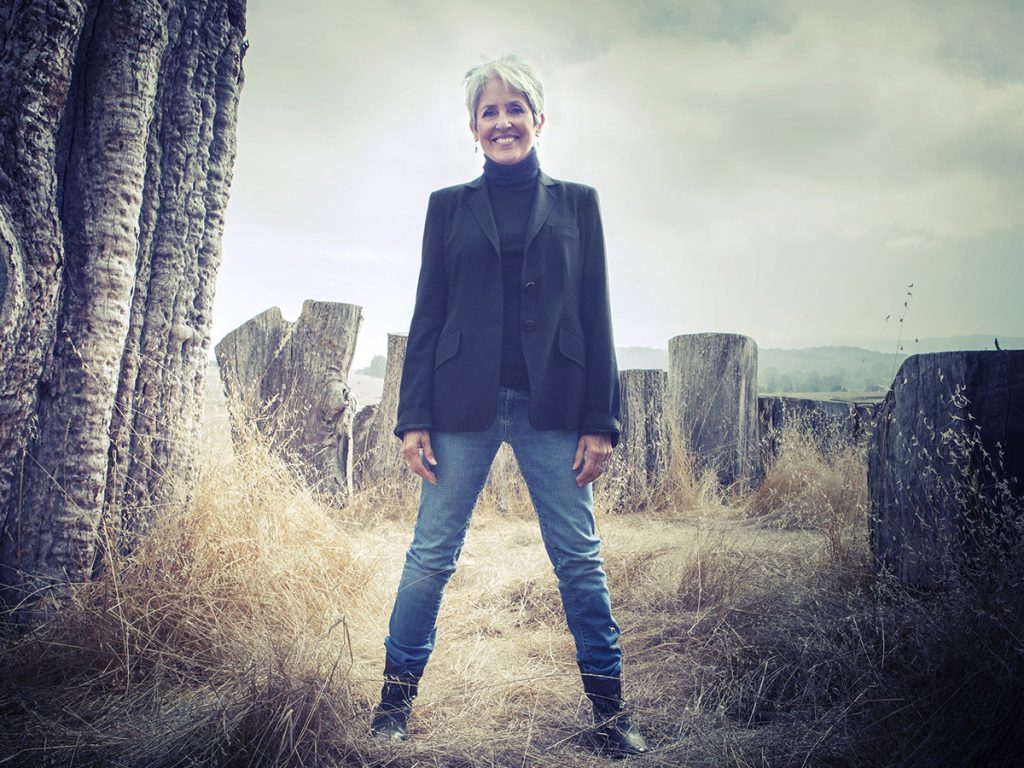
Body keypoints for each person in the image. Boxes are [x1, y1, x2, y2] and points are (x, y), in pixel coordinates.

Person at [369, 54, 648, 758]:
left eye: (514, 108)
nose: (502, 122)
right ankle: (393, 708)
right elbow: (429, 312)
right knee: (431, 555)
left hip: (554, 407)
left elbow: (596, 310)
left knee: (579, 560)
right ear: (473, 128)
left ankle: (611, 716)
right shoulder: (447, 206)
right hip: (459, 408)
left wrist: (602, 419)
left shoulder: (579, 204)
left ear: (538, 119)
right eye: (488, 112)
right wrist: (412, 417)